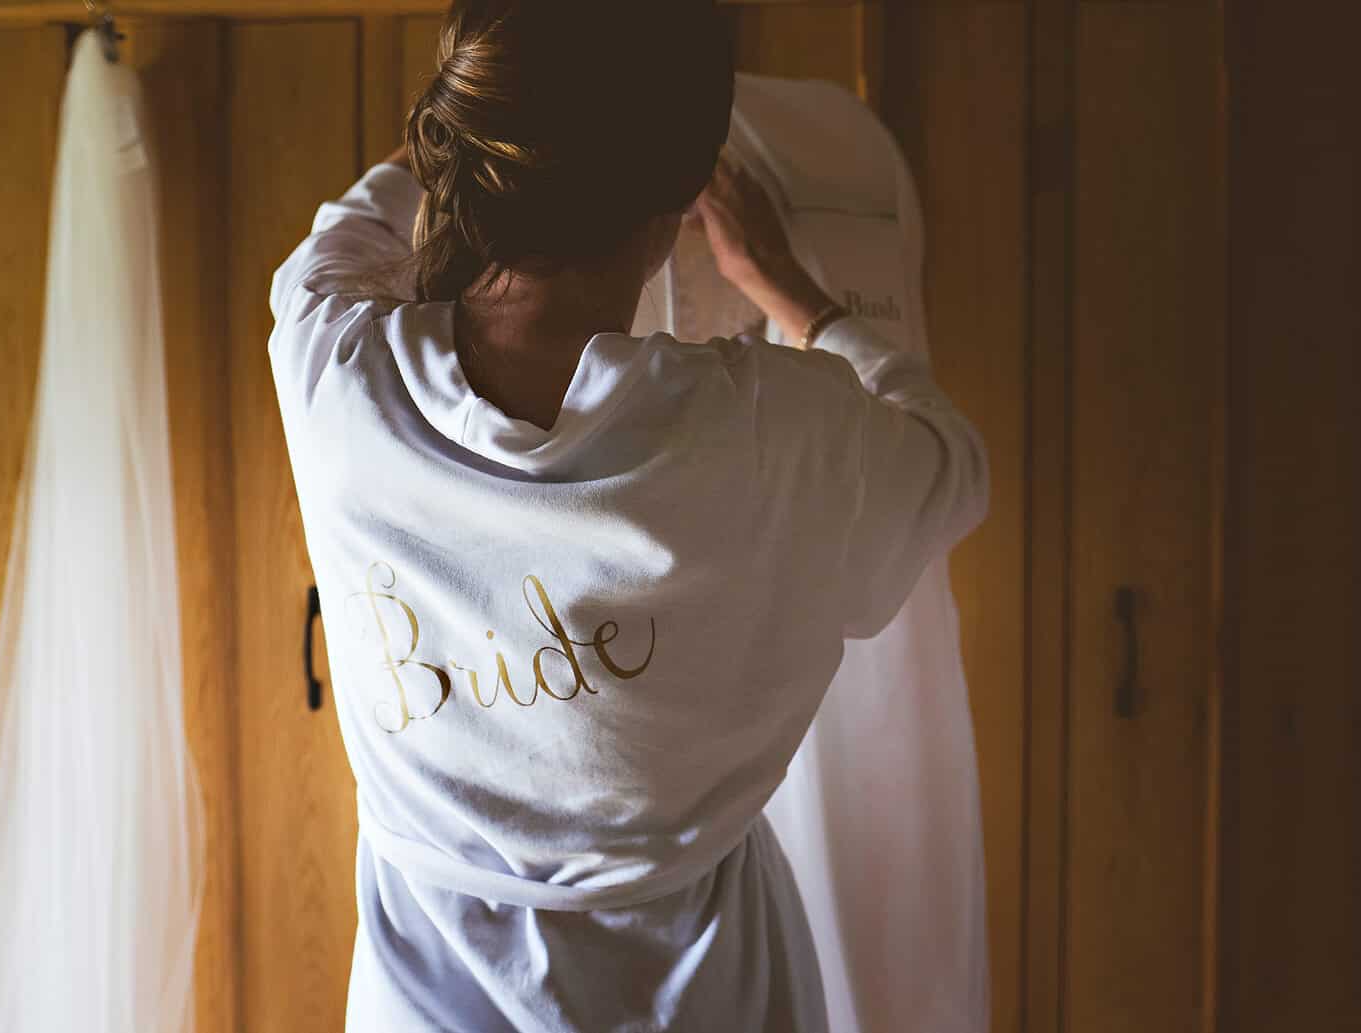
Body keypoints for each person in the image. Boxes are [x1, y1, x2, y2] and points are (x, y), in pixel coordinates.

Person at [266, 1, 989, 1029]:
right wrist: (792, 295)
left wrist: (497, 110)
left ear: (468, 142)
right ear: (683, 191)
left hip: (419, 995)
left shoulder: (330, 367)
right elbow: (947, 462)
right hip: (702, 993)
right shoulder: (772, 436)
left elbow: (351, 229)